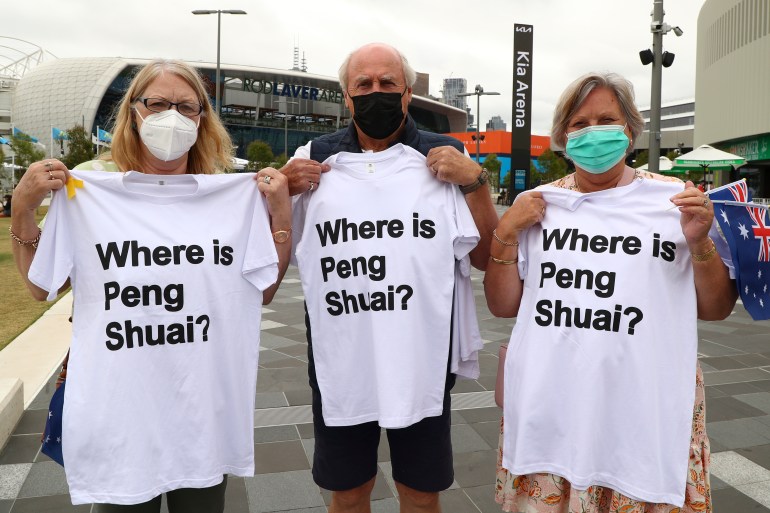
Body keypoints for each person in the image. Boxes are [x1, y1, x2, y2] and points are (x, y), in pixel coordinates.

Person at [10, 59, 291, 513]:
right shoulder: (90, 185)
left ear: (203, 118)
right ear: (133, 111)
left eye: (186, 106)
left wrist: (280, 216)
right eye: (158, 103)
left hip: (201, 409)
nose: (172, 116)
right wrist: (23, 208)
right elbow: (43, 287)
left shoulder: (226, 195)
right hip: (123, 409)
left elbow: (263, 291)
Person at [486, 72, 737, 513]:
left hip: (644, 416)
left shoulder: (674, 202)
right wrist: (505, 232)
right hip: (554, 413)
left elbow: (716, 309)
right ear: (563, 136)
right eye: (580, 124)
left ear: (630, 130)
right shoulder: (538, 205)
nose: (593, 132)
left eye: (607, 119)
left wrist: (700, 241)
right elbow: (503, 305)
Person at [278, 43, 498, 512]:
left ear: (406, 93)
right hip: (342, 359)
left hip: (422, 356)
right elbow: (273, 258)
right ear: (346, 95)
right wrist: (280, 192)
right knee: (348, 490)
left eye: (387, 83)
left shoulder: (444, 156)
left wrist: (475, 180)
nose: (375, 92)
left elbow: (483, 256)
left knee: (420, 495)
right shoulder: (315, 159)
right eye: (364, 85)